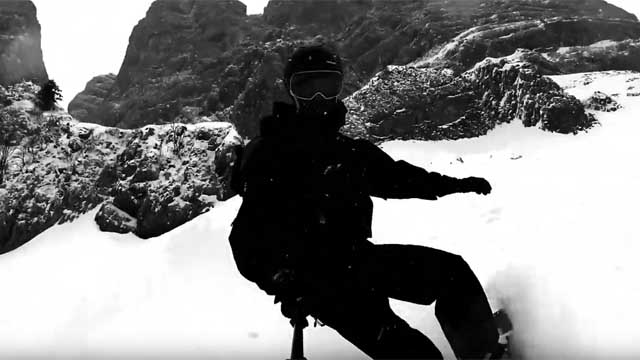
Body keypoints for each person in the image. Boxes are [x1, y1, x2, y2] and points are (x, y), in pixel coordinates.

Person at [228, 44, 505, 360]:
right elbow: (245, 240)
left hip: (359, 260)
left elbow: (399, 178)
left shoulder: (347, 151)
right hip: (319, 285)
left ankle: (483, 352)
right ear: (292, 92)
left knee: (452, 273)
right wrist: (281, 281)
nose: (318, 98)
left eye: (327, 87)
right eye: (307, 88)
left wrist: (455, 184)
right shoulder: (270, 154)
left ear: (339, 89)